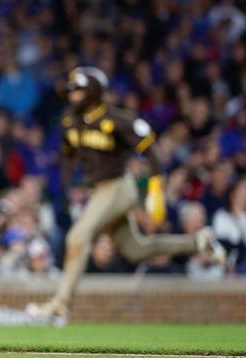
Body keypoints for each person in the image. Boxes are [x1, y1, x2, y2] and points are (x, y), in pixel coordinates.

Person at [26, 67, 226, 326]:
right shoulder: (70, 119)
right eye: (71, 90)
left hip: (119, 187)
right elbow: (67, 155)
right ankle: (199, 243)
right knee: (136, 249)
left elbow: (149, 148)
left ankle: (60, 305)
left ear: (95, 90)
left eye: (79, 89)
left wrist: (155, 184)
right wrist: (64, 188)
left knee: (78, 235)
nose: (73, 95)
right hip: (98, 190)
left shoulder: (117, 118)